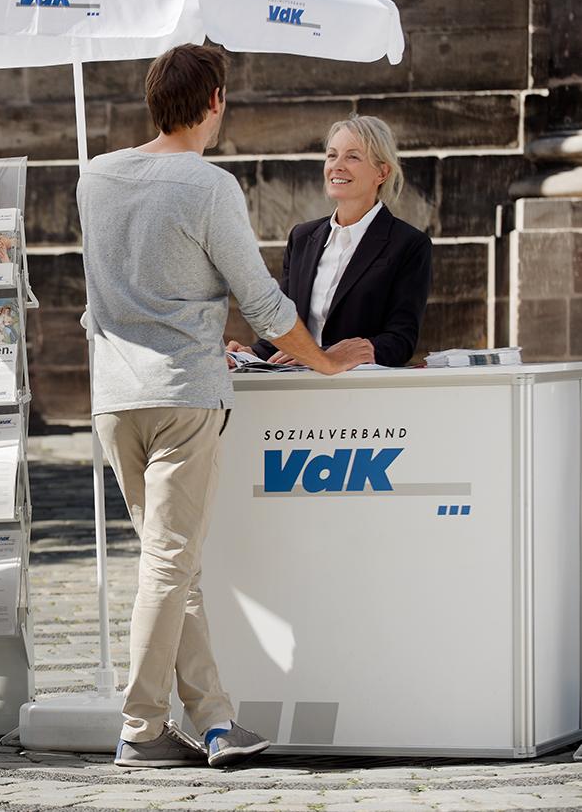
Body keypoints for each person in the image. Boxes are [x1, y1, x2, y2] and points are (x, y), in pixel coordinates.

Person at [76, 44, 372, 770]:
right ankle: (143, 727)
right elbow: (264, 302)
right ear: (214, 101)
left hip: (115, 398)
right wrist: (325, 360)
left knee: (170, 565)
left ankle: (212, 720)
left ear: (153, 99)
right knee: (169, 563)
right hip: (183, 395)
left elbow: (126, 285)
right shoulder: (208, 185)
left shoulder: (95, 176)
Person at [227, 115, 432, 367]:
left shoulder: (409, 245)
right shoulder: (302, 238)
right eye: (332, 155)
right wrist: (249, 354)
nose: (337, 165)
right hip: (299, 390)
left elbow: (400, 342)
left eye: (352, 156)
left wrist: (320, 355)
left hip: (360, 393)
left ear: (382, 172)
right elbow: (285, 332)